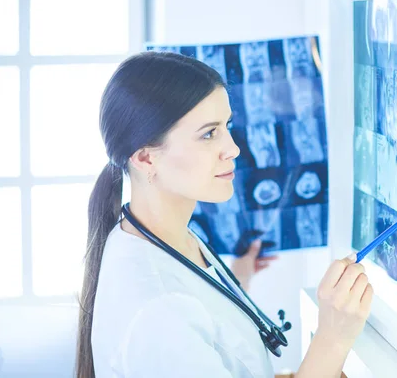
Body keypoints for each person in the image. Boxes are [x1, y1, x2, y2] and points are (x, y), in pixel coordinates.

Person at [75, 51, 374, 378]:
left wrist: (236, 279)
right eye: (208, 133)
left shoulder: (160, 236)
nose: (233, 149)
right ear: (146, 158)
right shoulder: (159, 314)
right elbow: (177, 329)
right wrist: (333, 338)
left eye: (226, 126)